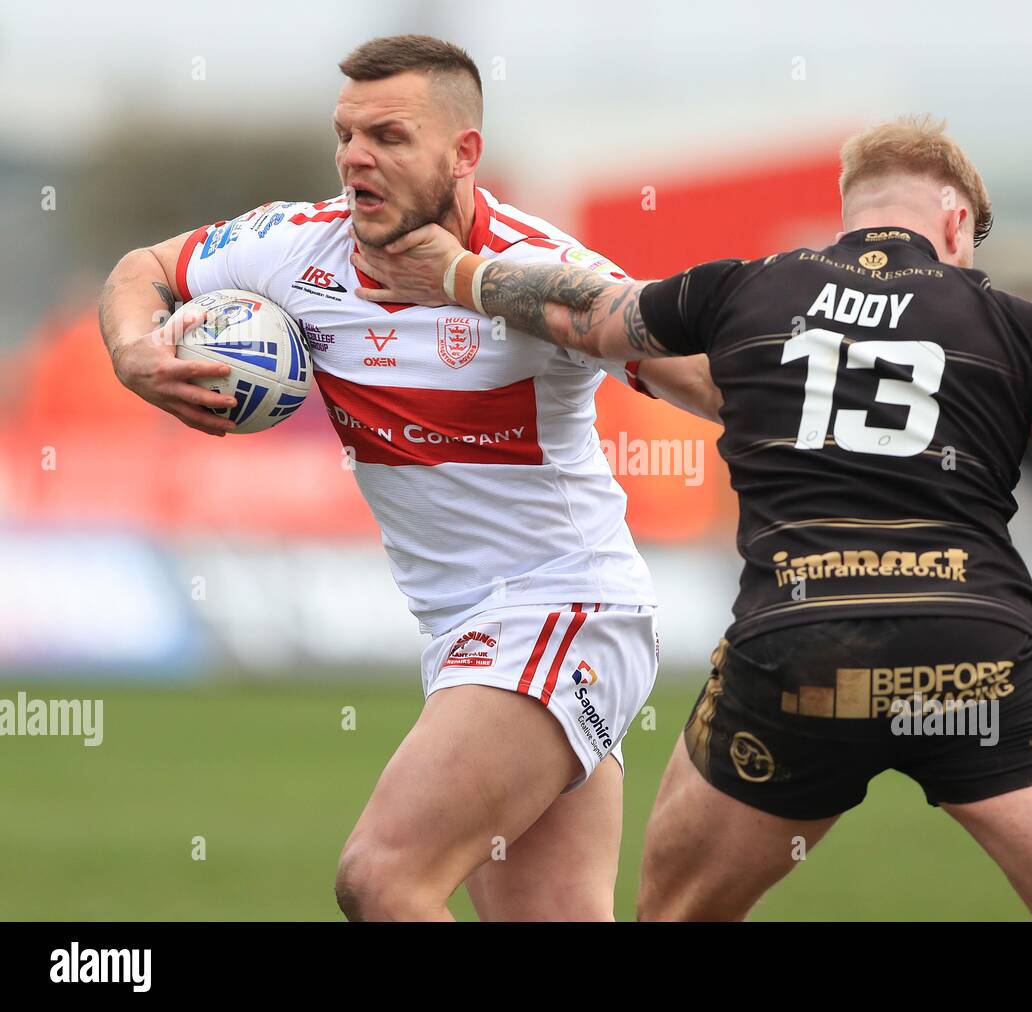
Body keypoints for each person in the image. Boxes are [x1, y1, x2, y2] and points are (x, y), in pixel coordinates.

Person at [352, 114, 1032, 921]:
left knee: (670, 914)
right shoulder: (1012, 322)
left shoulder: (745, 287)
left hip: (799, 657)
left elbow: (586, 313)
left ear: (855, 209)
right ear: (957, 222)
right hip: (971, 657)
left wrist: (464, 275)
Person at [98, 34, 718, 922]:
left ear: (464, 153)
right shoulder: (293, 248)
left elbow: (697, 376)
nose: (356, 157)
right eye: (346, 134)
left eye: (389, 136)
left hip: (561, 612)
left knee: (382, 877)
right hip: (467, 631)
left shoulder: (536, 271)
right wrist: (134, 352)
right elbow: (144, 270)